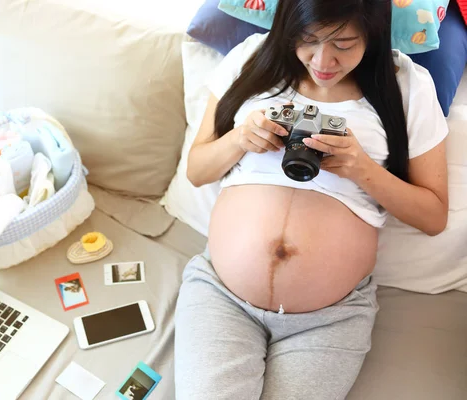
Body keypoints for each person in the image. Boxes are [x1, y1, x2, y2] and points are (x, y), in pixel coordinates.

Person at [174, 1, 449, 399]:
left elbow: (434, 215)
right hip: (223, 295)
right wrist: (239, 139)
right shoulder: (251, 57)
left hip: (329, 318)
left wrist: (362, 168)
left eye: (344, 43)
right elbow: (198, 170)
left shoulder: (407, 84)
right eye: (308, 39)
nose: (323, 60)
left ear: (372, 34)